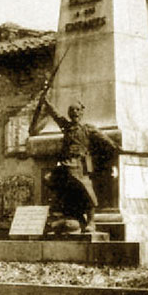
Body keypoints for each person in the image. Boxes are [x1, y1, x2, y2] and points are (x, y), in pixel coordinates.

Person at [41, 98, 118, 232]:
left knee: (86, 191)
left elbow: (104, 139)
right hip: (66, 164)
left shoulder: (88, 129)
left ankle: (91, 221)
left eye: (77, 110)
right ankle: (68, 214)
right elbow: (56, 115)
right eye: (72, 111)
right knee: (48, 178)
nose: (74, 113)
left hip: (80, 165)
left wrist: (116, 149)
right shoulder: (67, 127)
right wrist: (47, 103)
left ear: (81, 113)